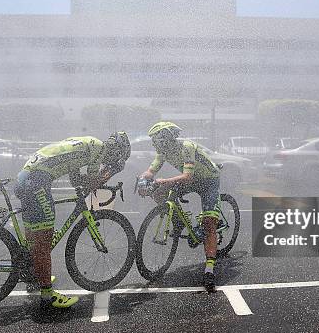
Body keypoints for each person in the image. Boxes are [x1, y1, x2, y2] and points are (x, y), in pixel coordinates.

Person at [15, 132, 131, 309]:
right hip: (37, 181)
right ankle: (47, 296)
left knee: (34, 237)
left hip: (27, 177)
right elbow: (92, 182)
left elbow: (76, 179)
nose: (110, 162)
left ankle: (35, 273)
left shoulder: (85, 144)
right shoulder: (98, 149)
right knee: (44, 241)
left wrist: (96, 178)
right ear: (116, 151)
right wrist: (110, 173)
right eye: (116, 158)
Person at [139, 122, 221, 292]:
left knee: (209, 223)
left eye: (156, 139)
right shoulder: (163, 151)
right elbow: (151, 171)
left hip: (208, 180)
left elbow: (187, 177)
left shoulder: (186, 147)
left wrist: (164, 181)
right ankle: (178, 219)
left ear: (165, 138)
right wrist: (143, 179)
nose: (154, 143)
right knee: (159, 192)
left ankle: (209, 269)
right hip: (191, 179)